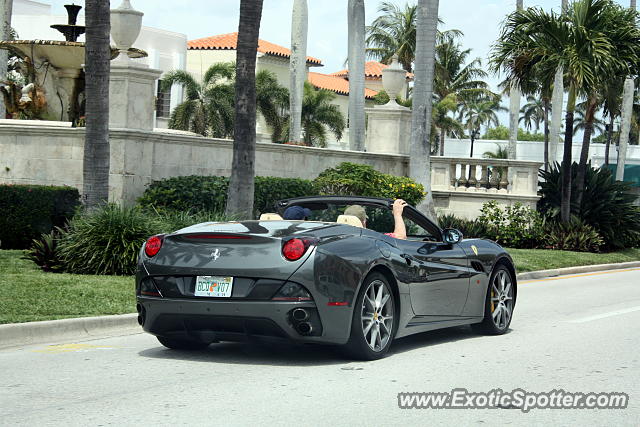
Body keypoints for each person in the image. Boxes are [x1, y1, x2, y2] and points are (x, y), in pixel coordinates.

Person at [343, 199, 408, 240]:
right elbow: (400, 237)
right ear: (364, 221)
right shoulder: (370, 238)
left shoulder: (335, 237)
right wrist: (397, 214)